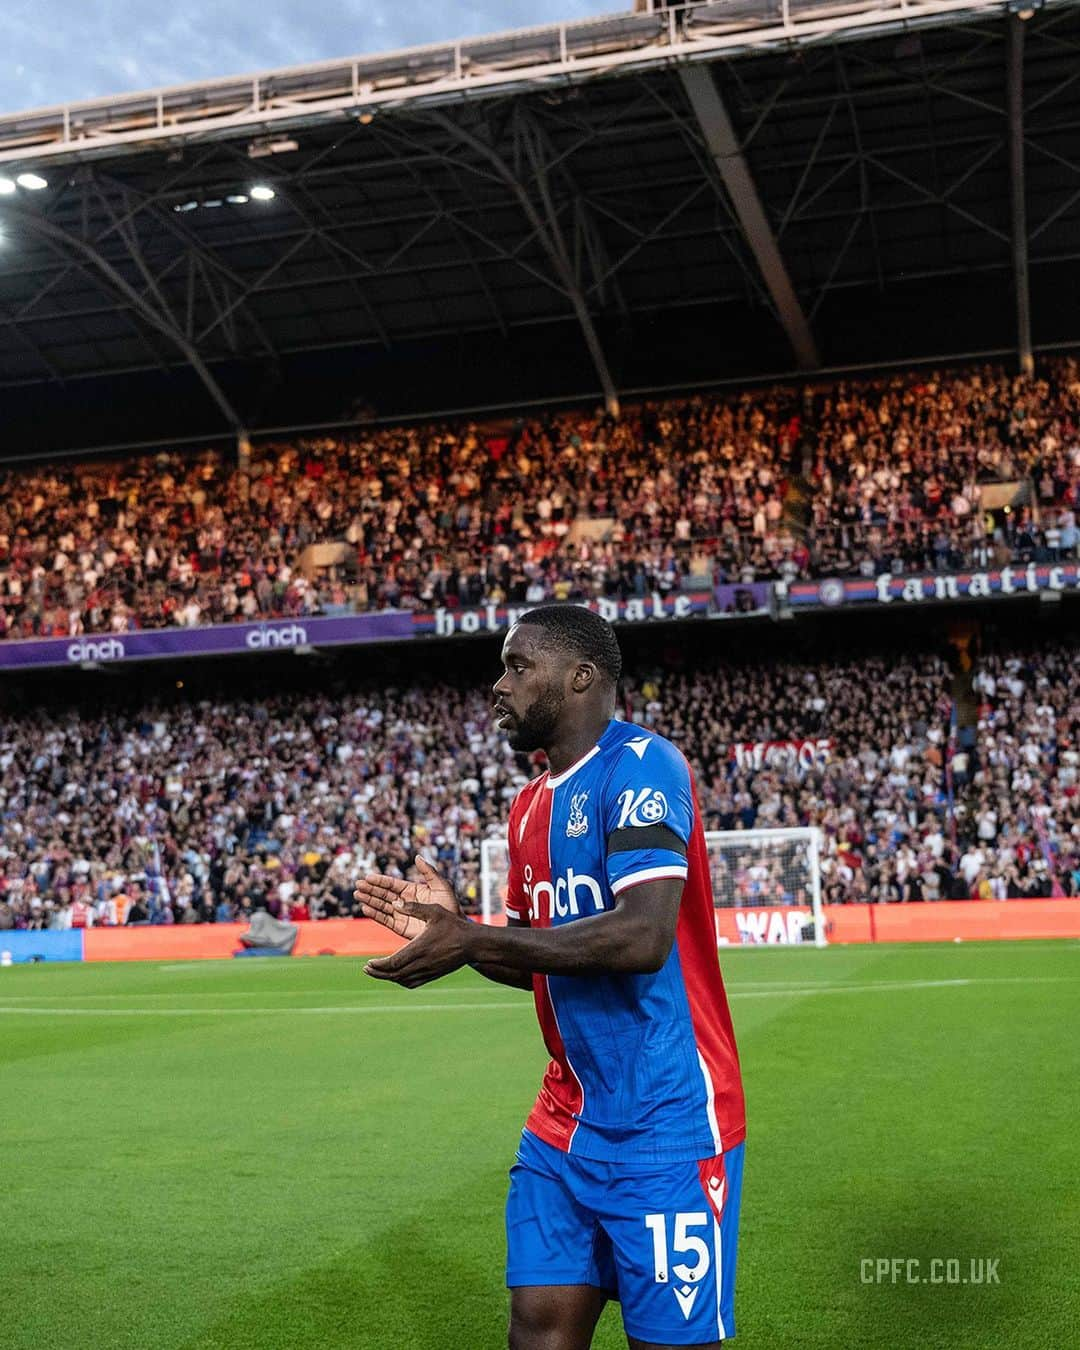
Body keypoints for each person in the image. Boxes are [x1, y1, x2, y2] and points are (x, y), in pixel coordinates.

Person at [356, 606, 746, 1350]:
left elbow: (641, 937)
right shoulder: (529, 805)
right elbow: (536, 959)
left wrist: (475, 937)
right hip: (564, 1125)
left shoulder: (643, 766)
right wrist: (461, 937)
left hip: (667, 1123)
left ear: (580, 677)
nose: (498, 685)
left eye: (517, 666)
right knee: (537, 1333)